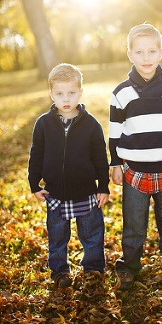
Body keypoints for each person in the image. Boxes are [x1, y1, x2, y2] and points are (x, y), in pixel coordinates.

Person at [109, 23, 162, 291]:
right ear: (130, 55)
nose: (146, 58)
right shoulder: (121, 93)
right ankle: (129, 267)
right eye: (140, 52)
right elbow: (115, 132)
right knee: (134, 223)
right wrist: (115, 163)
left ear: (160, 53)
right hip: (135, 171)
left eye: (152, 51)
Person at [28, 63, 110, 289]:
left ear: (80, 92)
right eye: (60, 93)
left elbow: (100, 158)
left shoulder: (91, 125)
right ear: (51, 94)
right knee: (57, 237)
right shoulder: (43, 124)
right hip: (55, 192)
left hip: (86, 192)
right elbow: (36, 154)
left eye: (71, 93)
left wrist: (103, 186)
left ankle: (93, 269)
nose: (66, 99)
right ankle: (59, 272)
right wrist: (34, 184)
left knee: (92, 234)